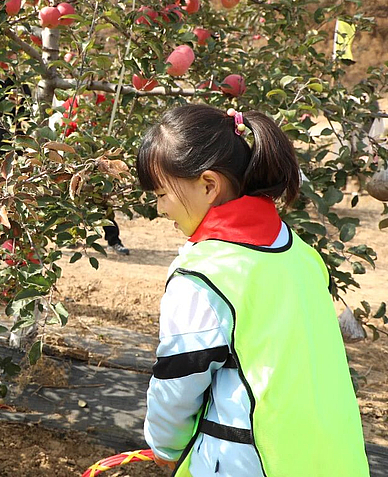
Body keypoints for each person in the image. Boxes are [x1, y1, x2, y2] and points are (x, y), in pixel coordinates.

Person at [136, 104, 368, 476]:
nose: (161, 208)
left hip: (252, 462)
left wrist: (165, 444)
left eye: (162, 194)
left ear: (208, 185)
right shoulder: (302, 254)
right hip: (336, 459)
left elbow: (178, 383)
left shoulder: (204, 275)